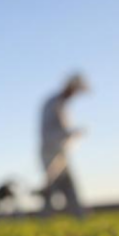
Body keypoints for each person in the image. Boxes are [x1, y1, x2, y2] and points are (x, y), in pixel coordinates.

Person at [38, 74, 88, 218]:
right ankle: (45, 219)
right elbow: (51, 131)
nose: (75, 94)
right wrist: (72, 133)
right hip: (50, 152)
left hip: (60, 152)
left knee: (68, 185)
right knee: (52, 186)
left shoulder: (62, 104)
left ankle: (79, 216)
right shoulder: (53, 104)